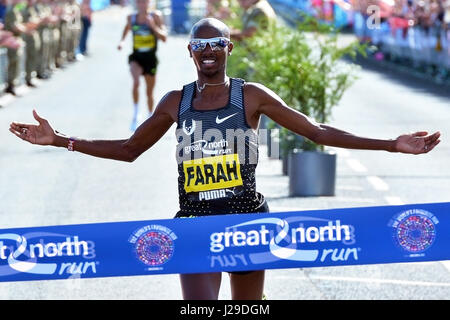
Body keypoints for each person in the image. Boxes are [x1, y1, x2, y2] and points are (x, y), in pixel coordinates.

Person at [9, 18, 441, 300]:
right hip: (194, 223)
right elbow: (129, 150)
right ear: (191, 52)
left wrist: (390, 144)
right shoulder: (175, 101)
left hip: (247, 220)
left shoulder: (250, 96)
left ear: (228, 48)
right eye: (201, 45)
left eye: (216, 43)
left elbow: (317, 131)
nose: (208, 50)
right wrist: (60, 140)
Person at [117, 0, 167, 131]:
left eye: (144, 2)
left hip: (150, 59)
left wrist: (153, 27)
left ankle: (150, 118)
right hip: (136, 57)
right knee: (136, 82)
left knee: (149, 92)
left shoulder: (155, 17)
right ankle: (135, 114)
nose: (142, 4)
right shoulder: (131, 18)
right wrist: (121, 42)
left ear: (149, 3)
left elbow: (164, 37)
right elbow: (126, 30)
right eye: (139, 2)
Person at [4, 0, 39, 95]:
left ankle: (14, 83)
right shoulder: (11, 11)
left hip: (16, 39)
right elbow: (14, 26)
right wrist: (26, 29)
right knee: (13, 62)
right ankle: (11, 84)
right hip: (12, 40)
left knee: (17, 62)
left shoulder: (16, 10)